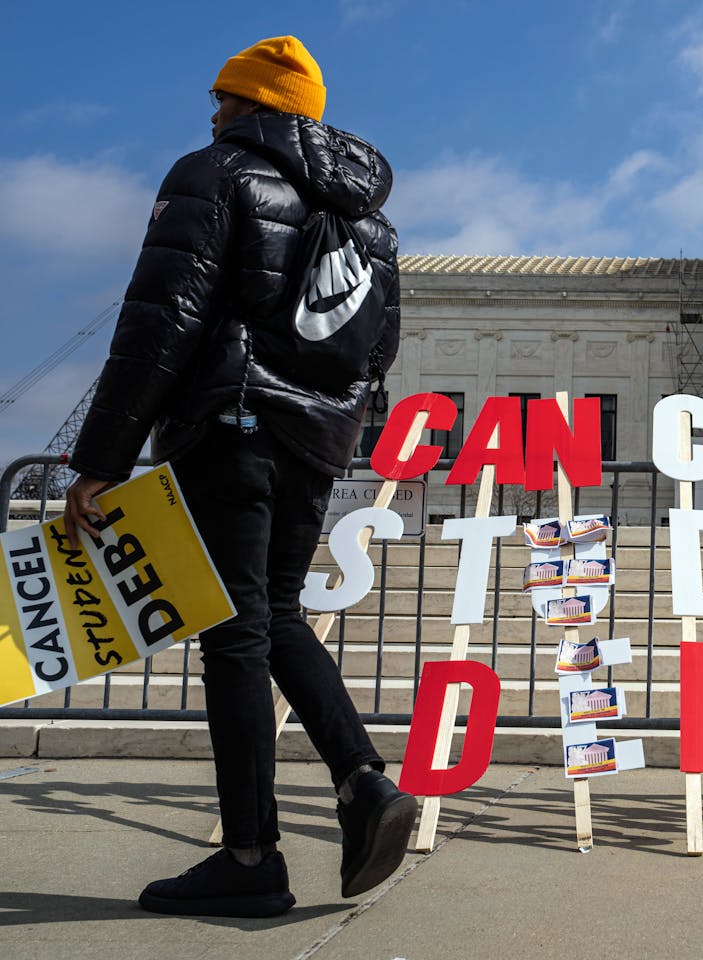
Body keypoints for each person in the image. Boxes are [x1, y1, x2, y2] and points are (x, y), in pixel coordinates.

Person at [63, 36, 412, 919]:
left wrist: (99, 463)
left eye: (221, 98)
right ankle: (364, 780)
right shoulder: (372, 221)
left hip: (233, 428)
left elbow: (160, 321)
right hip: (312, 444)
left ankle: (252, 855)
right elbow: (379, 353)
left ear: (252, 103)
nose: (211, 113)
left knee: (234, 634)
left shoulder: (213, 173)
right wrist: (333, 434)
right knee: (274, 615)